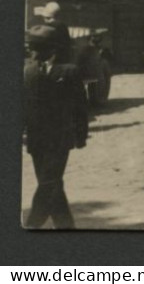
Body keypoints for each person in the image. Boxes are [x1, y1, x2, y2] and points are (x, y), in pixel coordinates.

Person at [23, 23, 88, 229]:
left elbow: (80, 106)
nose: (32, 52)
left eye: (36, 48)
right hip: (36, 139)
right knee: (52, 184)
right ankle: (66, 226)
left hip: (60, 138)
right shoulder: (27, 71)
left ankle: (31, 225)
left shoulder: (69, 72)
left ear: (51, 49)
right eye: (31, 47)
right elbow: (22, 105)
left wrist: (81, 135)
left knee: (48, 183)